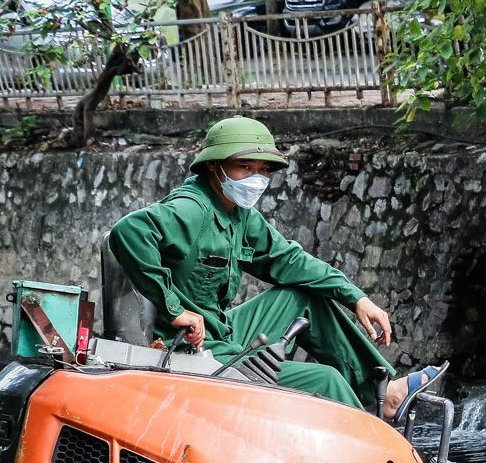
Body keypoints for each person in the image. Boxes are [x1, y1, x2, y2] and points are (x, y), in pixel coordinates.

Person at [107, 115, 441, 416]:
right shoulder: (193, 209)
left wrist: (356, 298)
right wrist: (174, 307)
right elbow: (129, 232)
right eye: (244, 167)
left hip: (221, 331)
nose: (256, 178)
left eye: (263, 169)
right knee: (324, 379)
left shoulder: (238, 213)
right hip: (194, 349)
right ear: (214, 166)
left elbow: (289, 260)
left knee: (305, 298)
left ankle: (387, 393)